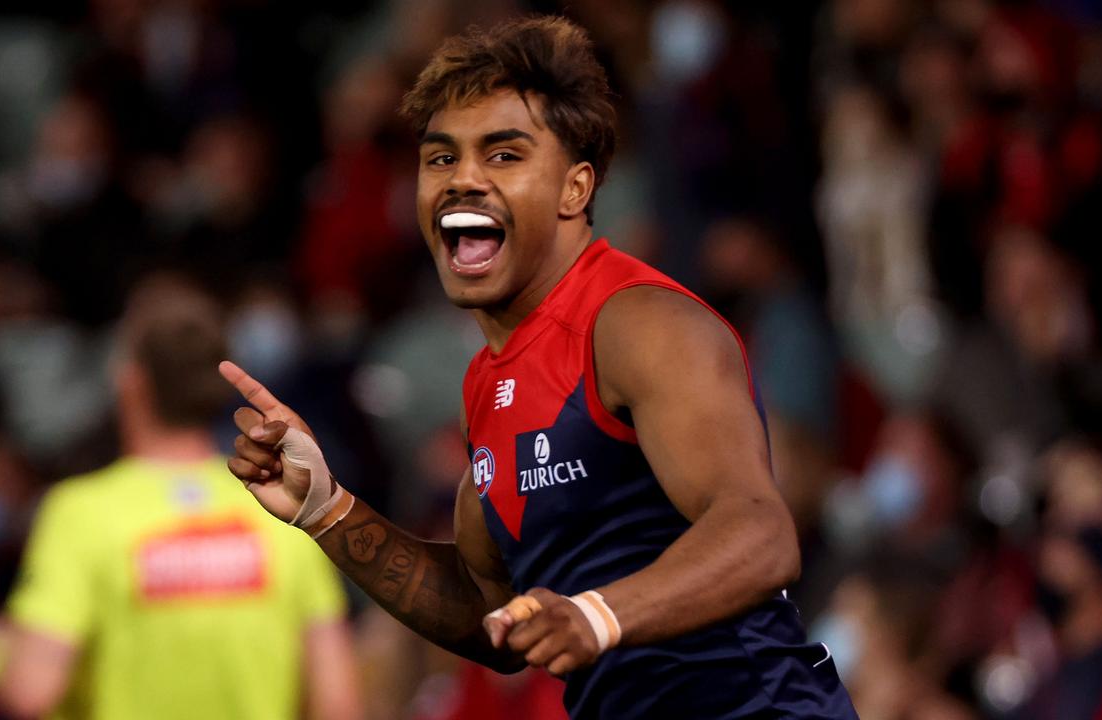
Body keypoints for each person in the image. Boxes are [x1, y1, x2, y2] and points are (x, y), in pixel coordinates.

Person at [223, 16, 857, 719]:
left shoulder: (640, 324)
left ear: (575, 189)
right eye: (440, 158)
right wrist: (328, 510)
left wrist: (596, 616)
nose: (463, 179)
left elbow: (759, 533)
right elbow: (496, 613)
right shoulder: (488, 382)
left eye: (502, 155)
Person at [0, 277, 362, 720]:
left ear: (130, 381)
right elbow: (339, 704)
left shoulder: (80, 513)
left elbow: (31, 689)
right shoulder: (280, 507)